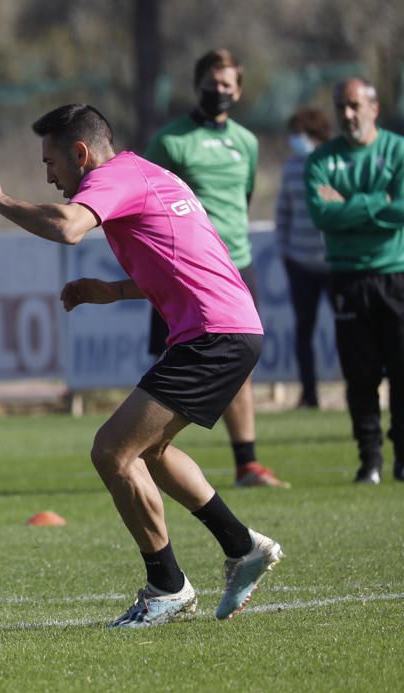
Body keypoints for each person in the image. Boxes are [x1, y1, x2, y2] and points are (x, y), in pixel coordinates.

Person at [0, 104, 283, 627]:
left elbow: (68, 228)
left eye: (51, 162)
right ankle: (241, 546)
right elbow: (187, 260)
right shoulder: (150, 174)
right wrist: (115, 291)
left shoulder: (112, 178)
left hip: (213, 333)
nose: (48, 176)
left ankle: (168, 585)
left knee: (112, 451)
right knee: (149, 451)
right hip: (227, 327)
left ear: (81, 154)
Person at [142, 49, 288, 488]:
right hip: (183, 271)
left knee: (236, 364)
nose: (219, 91)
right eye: (212, 82)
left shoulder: (246, 141)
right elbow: (146, 200)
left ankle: (247, 463)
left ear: (238, 91)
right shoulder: (171, 141)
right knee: (170, 361)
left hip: (235, 266)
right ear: (198, 83)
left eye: (227, 84)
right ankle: (146, 450)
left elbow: (240, 200)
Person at [305, 78, 404, 485]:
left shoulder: (397, 150)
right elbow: (321, 214)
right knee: (360, 375)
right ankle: (370, 461)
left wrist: (350, 207)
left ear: (373, 108)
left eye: (354, 106)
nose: (347, 115)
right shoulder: (322, 161)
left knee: (402, 370)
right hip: (347, 276)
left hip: (395, 272)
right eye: (340, 107)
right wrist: (378, 200)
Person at [276, 107, 334, 409]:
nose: (294, 141)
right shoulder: (290, 168)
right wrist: (286, 251)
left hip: (336, 262)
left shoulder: (334, 163)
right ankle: (309, 394)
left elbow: (340, 205)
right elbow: (283, 214)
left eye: (299, 134)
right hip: (300, 262)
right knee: (304, 331)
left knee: (351, 331)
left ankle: (360, 387)